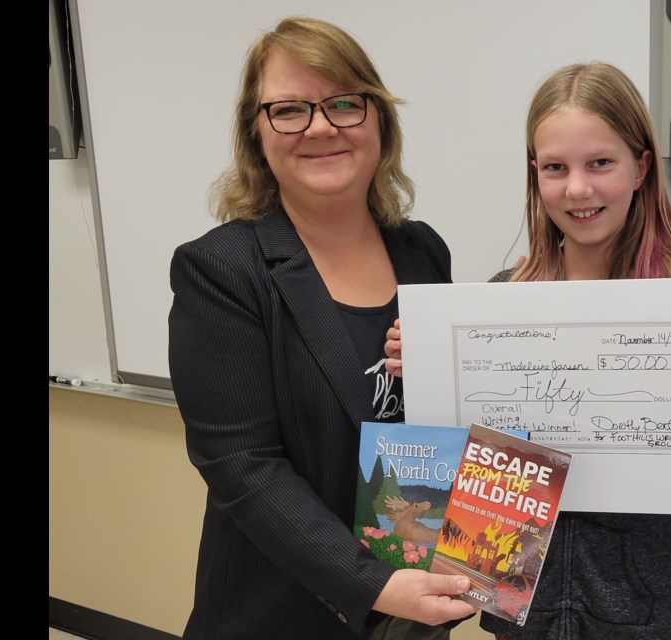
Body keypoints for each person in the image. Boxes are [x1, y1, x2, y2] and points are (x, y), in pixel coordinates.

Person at [384, 62, 671, 640]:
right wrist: (422, 372)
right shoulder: (501, 298)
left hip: (641, 610)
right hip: (519, 607)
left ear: (642, 166)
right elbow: (472, 459)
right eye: (555, 168)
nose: (577, 188)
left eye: (600, 163)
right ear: (534, 175)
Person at [167, 17, 476, 640]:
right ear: (256, 134)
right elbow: (241, 463)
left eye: (343, 103)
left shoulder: (424, 253)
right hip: (284, 615)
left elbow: (442, 419)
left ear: (379, 121)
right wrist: (373, 583)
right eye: (288, 110)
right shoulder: (222, 269)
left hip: (415, 610)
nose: (320, 127)